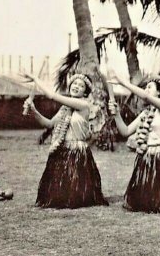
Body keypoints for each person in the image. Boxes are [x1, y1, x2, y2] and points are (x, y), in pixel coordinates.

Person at [107, 71, 160, 213]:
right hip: (148, 154)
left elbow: (145, 96)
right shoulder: (146, 113)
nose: (146, 90)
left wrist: (123, 83)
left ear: (159, 92)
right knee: (146, 201)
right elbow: (126, 131)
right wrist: (116, 115)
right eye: (145, 87)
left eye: (149, 87)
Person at [21, 72, 108, 209]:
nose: (77, 86)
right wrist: (33, 110)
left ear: (85, 92)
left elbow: (52, 96)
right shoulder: (65, 108)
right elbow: (49, 124)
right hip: (63, 149)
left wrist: (37, 79)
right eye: (74, 83)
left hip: (78, 151)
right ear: (70, 86)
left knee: (77, 194)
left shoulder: (83, 105)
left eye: (81, 85)